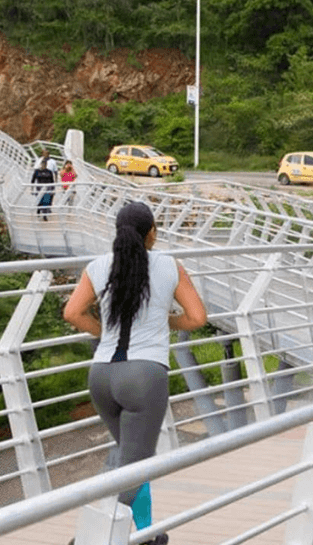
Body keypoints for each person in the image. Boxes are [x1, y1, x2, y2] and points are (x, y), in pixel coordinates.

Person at [63, 202, 207, 544]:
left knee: (131, 458)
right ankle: (87, 539)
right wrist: (166, 322)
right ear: (151, 233)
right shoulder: (170, 266)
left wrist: (104, 333)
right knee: (134, 467)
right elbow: (197, 317)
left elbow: (72, 312)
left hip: (102, 376)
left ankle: (145, 535)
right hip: (144, 377)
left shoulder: (98, 266)